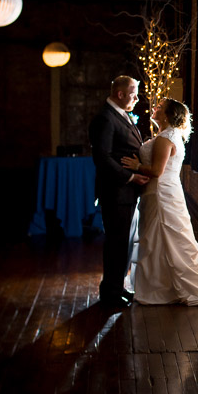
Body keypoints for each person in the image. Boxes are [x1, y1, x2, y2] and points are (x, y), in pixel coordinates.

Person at [121, 99, 198, 305]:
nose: (155, 109)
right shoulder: (170, 135)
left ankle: (160, 289)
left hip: (160, 193)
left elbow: (156, 171)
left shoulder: (165, 137)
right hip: (165, 192)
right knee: (165, 238)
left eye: (159, 108)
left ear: (168, 115)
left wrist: (136, 165)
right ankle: (166, 286)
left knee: (159, 237)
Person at [89, 75, 149, 309]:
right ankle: (110, 294)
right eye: (133, 93)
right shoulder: (104, 118)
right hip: (116, 192)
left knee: (123, 243)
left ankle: (118, 288)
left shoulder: (120, 115)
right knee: (116, 243)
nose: (136, 98)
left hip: (126, 194)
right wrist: (131, 176)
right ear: (120, 94)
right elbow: (102, 158)